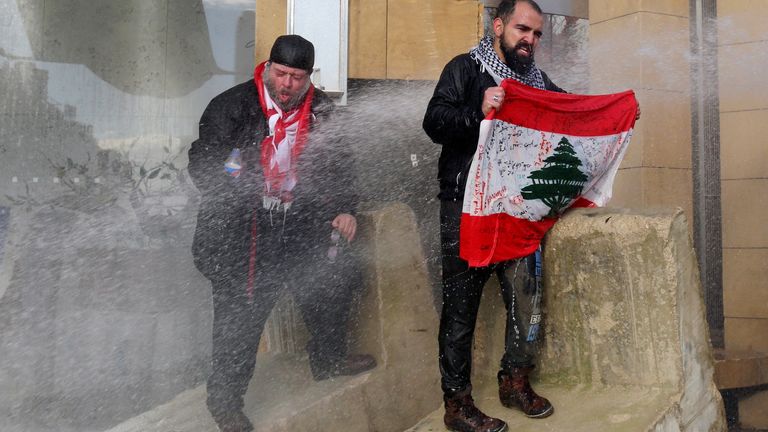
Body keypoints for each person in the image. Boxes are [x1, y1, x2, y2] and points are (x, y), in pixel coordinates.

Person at [188, 35, 375, 432]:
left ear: (309, 77)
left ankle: (328, 359)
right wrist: (239, 184)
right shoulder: (231, 107)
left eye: (297, 76)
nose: (287, 84)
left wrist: (345, 208)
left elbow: (340, 164)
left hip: (300, 220)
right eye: (282, 74)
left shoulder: (322, 111)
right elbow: (206, 162)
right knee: (240, 318)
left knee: (330, 283)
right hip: (245, 230)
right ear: (268, 67)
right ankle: (225, 404)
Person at [422, 2, 562, 431]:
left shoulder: (536, 81)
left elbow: (567, 116)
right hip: (467, 207)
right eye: (523, 29)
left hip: (517, 210)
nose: (530, 40)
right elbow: (434, 122)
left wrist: (610, 118)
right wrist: (477, 109)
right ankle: (457, 404)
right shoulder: (464, 69)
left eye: (537, 34)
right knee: (461, 306)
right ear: (498, 26)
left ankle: (514, 380)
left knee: (526, 296)